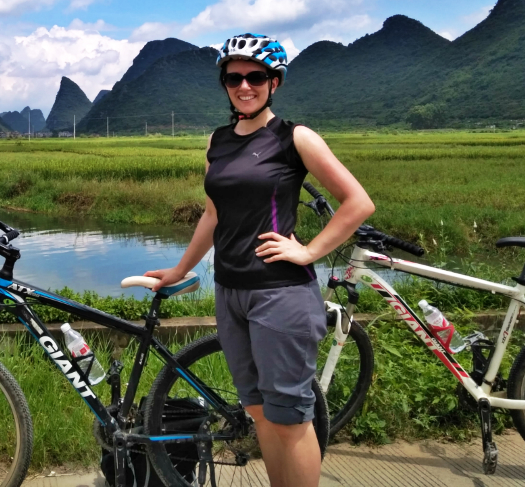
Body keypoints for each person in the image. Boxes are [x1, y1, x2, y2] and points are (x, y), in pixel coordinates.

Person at [144, 33, 375, 487]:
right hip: (229, 292)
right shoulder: (218, 141)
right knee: (258, 412)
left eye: (255, 77)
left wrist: (308, 250)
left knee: (289, 416)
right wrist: (180, 270)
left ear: (275, 82)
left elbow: (357, 202)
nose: (243, 86)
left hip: (280, 294)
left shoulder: (294, 138)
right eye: (233, 78)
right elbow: (213, 213)